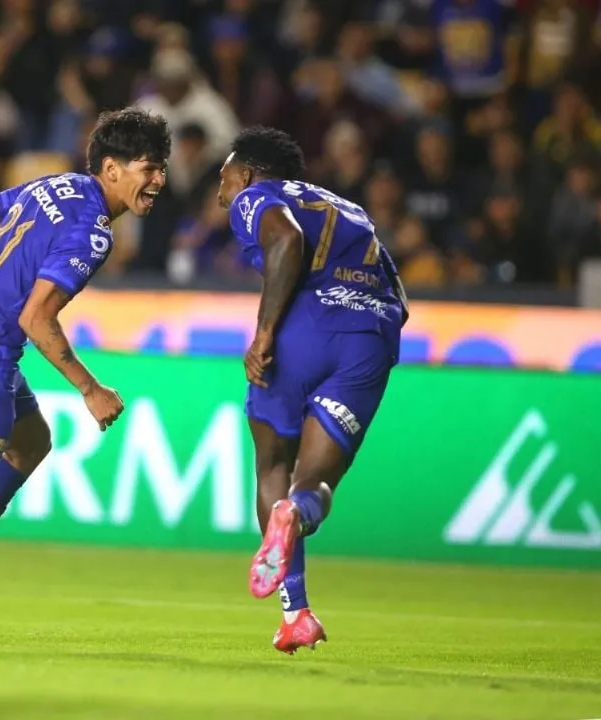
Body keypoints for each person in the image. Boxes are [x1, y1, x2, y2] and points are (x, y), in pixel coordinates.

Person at [0, 107, 171, 529]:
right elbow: (36, 319)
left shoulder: (60, 184)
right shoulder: (93, 232)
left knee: (31, 442)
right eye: (150, 168)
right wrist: (90, 389)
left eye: (162, 170)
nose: (160, 180)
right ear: (112, 168)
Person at [215, 127, 409, 654]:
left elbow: (285, 240)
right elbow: (400, 296)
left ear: (248, 173)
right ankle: (295, 518)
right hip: (369, 336)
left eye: (224, 177)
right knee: (316, 482)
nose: (221, 191)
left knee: (274, 463)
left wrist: (265, 330)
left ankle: (294, 608)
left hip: (303, 325)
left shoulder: (256, 197)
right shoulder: (352, 210)